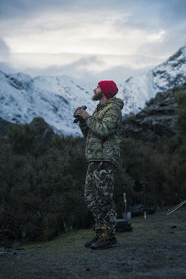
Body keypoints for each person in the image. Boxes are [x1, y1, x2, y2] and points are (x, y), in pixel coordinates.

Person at [74, 80, 124, 250]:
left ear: (104, 91)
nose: (94, 89)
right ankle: (100, 233)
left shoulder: (114, 109)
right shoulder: (99, 109)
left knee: (103, 199)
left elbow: (103, 130)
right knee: (92, 198)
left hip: (105, 159)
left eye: (97, 87)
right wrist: (82, 121)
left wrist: (88, 117)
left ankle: (108, 237)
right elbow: (90, 133)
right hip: (94, 159)